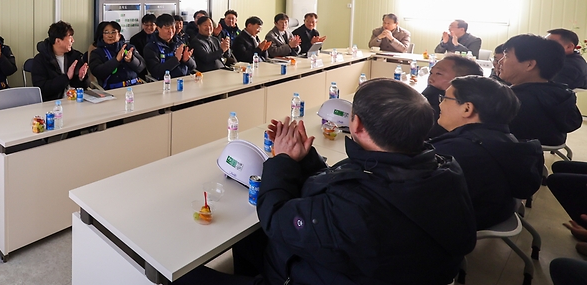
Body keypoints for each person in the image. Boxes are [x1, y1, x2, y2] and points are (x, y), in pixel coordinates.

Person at [178, 79, 476, 285]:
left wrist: (280, 161)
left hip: (326, 275)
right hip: (374, 268)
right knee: (249, 239)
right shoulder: (443, 168)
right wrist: (304, 159)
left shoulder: (356, 205)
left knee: (176, 275)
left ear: (355, 124)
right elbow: (345, 185)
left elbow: (276, 218)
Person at [429, 76, 543, 230]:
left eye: (445, 98)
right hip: (498, 211)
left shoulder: (453, 152)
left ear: (467, 108)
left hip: (464, 222)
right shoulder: (504, 137)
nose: (440, 104)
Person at [499, 34, 580, 146]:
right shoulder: (559, 92)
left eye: (506, 56)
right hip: (550, 143)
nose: (500, 62)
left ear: (529, 65)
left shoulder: (514, 101)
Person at [421, 55, 483, 138]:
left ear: (461, 80)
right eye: (431, 73)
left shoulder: (450, 112)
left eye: (439, 74)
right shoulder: (431, 96)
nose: (431, 78)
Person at [31, 21, 89, 102]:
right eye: (70, 36)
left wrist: (81, 78)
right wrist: (66, 77)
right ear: (58, 41)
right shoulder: (40, 60)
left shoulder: (75, 56)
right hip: (53, 104)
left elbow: (84, 87)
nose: (73, 40)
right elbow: (42, 89)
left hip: (75, 101)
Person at [88, 20, 145, 90]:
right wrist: (116, 60)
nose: (110, 35)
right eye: (106, 32)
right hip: (113, 89)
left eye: (113, 32)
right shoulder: (97, 52)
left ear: (119, 35)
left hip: (135, 86)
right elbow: (97, 72)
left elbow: (141, 67)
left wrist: (131, 60)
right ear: (102, 35)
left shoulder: (129, 48)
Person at [143, 13, 196, 79]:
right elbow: (156, 72)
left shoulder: (179, 43)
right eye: (167, 28)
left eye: (172, 27)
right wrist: (176, 59)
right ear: (158, 28)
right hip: (166, 83)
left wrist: (187, 60)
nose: (170, 31)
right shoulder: (150, 47)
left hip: (184, 79)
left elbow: (193, 66)